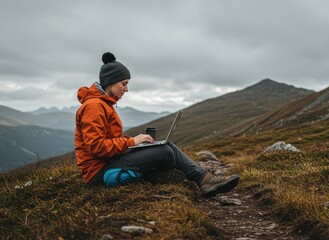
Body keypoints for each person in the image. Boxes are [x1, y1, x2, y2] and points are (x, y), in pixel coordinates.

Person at [74, 52, 239, 198]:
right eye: (123, 84)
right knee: (164, 151)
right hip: (99, 172)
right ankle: (194, 178)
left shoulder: (103, 104)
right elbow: (96, 147)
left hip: (108, 162)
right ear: (110, 83)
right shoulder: (94, 106)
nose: (126, 89)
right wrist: (132, 142)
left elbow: (106, 142)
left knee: (167, 146)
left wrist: (135, 144)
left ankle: (203, 179)